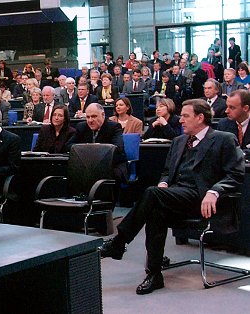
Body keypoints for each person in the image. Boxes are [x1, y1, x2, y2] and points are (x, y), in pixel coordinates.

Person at [100, 99, 245, 295]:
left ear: (200, 118)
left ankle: (119, 242)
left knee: (152, 193)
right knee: (156, 210)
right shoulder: (178, 141)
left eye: (185, 116)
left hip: (202, 199)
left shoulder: (223, 139)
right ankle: (154, 274)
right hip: (178, 195)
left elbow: (235, 174)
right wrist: (164, 183)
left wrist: (215, 191)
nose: (181, 121)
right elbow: (167, 172)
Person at [66, 103, 127, 181]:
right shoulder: (81, 127)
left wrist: (96, 149)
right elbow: (68, 145)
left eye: (94, 116)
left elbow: (118, 148)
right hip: (87, 164)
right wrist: (86, 147)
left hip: (111, 165)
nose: (90, 120)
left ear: (103, 115)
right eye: (88, 117)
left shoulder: (114, 127)